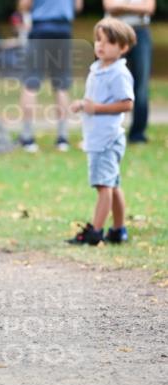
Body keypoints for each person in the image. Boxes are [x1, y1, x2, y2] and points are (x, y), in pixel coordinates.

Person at [68, 18, 136, 246]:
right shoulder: (97, 69)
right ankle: (118, 230)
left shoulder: (119, 73)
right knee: (112, 184)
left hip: (107, 139)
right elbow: (94, 100)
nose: (100, 45)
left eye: (108, 42)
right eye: (98, 40)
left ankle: (96, 232)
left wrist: (95, 108)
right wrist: (82, 104)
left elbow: (127, 104)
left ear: (123, 48)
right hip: (97, 137)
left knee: (103, 186)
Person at [17, 0, 84, 152]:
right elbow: (78, 4)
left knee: (30, 83)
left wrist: (24, 7)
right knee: (62, 84)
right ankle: (62, 137)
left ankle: (27, 137)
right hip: (63, 30)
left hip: (40, 29)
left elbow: (26, 1)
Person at [100, 0, 155, 143]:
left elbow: (149, 8)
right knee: (111, 82)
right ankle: (109, 131)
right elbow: (109, 6)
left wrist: (121, 4)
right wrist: (134, 5)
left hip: (141, 33)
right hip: (114, 33)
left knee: (140, 84)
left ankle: (138, 133)